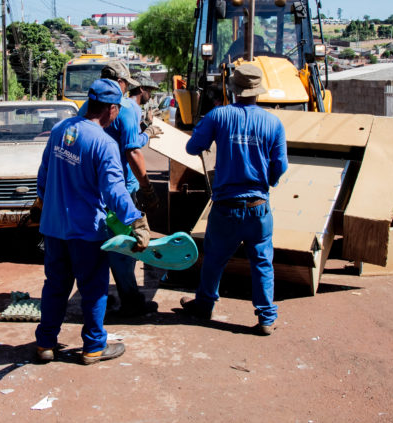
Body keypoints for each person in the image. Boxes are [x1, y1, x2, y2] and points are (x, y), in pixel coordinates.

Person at [32, 79, 151, 364]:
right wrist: (136, 220)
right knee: (94, 288)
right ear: (111, 109)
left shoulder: (61, 129)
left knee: (55, 286)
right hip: (86, 231)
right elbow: (114, 191)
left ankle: (45, 344)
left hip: (54, 228)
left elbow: (44, 175)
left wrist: (43, 205)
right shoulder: (104, 143)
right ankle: (93, 347)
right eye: (117, 111)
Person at [180, 64, 288, 334]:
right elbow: (280, 165)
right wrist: (268, 183)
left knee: (214, 259)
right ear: (258, 92)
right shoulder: (273, 122)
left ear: (233, 90)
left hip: (226, 207)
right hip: (258, 207)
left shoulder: (219, 115)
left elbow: (192, 147)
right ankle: (266, 318)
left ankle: (204, 305)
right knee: (262, 262)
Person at [77, 60, 162, 317]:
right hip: (121, 188)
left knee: (98, 243)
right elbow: (133, 151)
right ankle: (131, 301)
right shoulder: (124, 108)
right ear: (122, 83)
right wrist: (147, 188)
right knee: (125, 246)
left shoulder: (85, 107)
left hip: (91, 190)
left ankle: (99, 298)